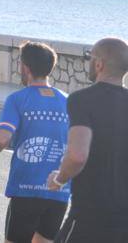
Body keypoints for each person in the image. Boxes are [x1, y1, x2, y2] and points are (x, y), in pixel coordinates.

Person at [0, 42, 70, 243]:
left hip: (26, 189)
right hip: (59, 191)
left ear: (25, 67)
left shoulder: (17, 99)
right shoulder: (68, 100)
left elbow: (3, 138)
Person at [48, 37, 128, 242]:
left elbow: (77, 155)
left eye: (90, 57)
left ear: (99, 64)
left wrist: (59, 179)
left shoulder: (82, 99)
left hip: (91, 215)